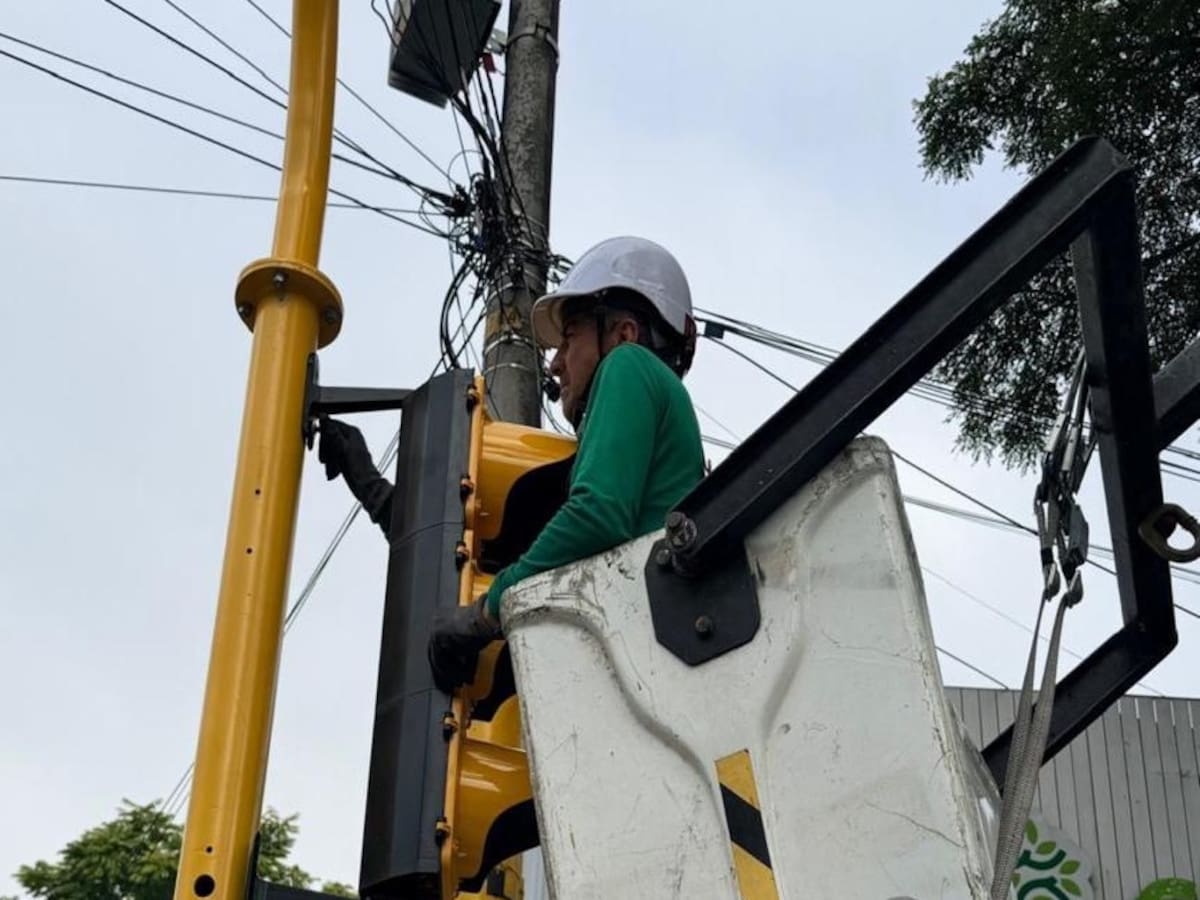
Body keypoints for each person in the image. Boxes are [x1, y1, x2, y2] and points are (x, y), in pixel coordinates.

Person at [425, 236, 705, 691]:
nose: (554, 365)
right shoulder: (661, 404)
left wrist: (486, 612)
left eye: (569, 337)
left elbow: (597, 515)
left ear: (624, 333)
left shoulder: (628, 365)